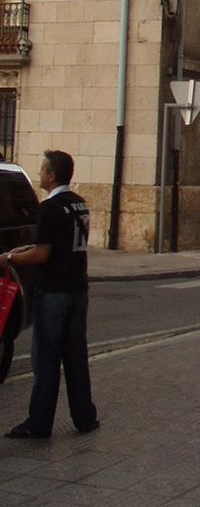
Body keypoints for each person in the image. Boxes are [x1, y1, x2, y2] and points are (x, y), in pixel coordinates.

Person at [0, 150, 98, 439]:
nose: (39, 173)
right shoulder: (79, 204)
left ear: (52, 175)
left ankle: (39, 422)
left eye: (42, 170)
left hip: (54, 291)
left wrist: (10, 259)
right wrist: (21, 250)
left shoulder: (50, 208)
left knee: (45, 360)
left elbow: (44, 253)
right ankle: (85, 416)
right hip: (78, 289)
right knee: (76, 356)